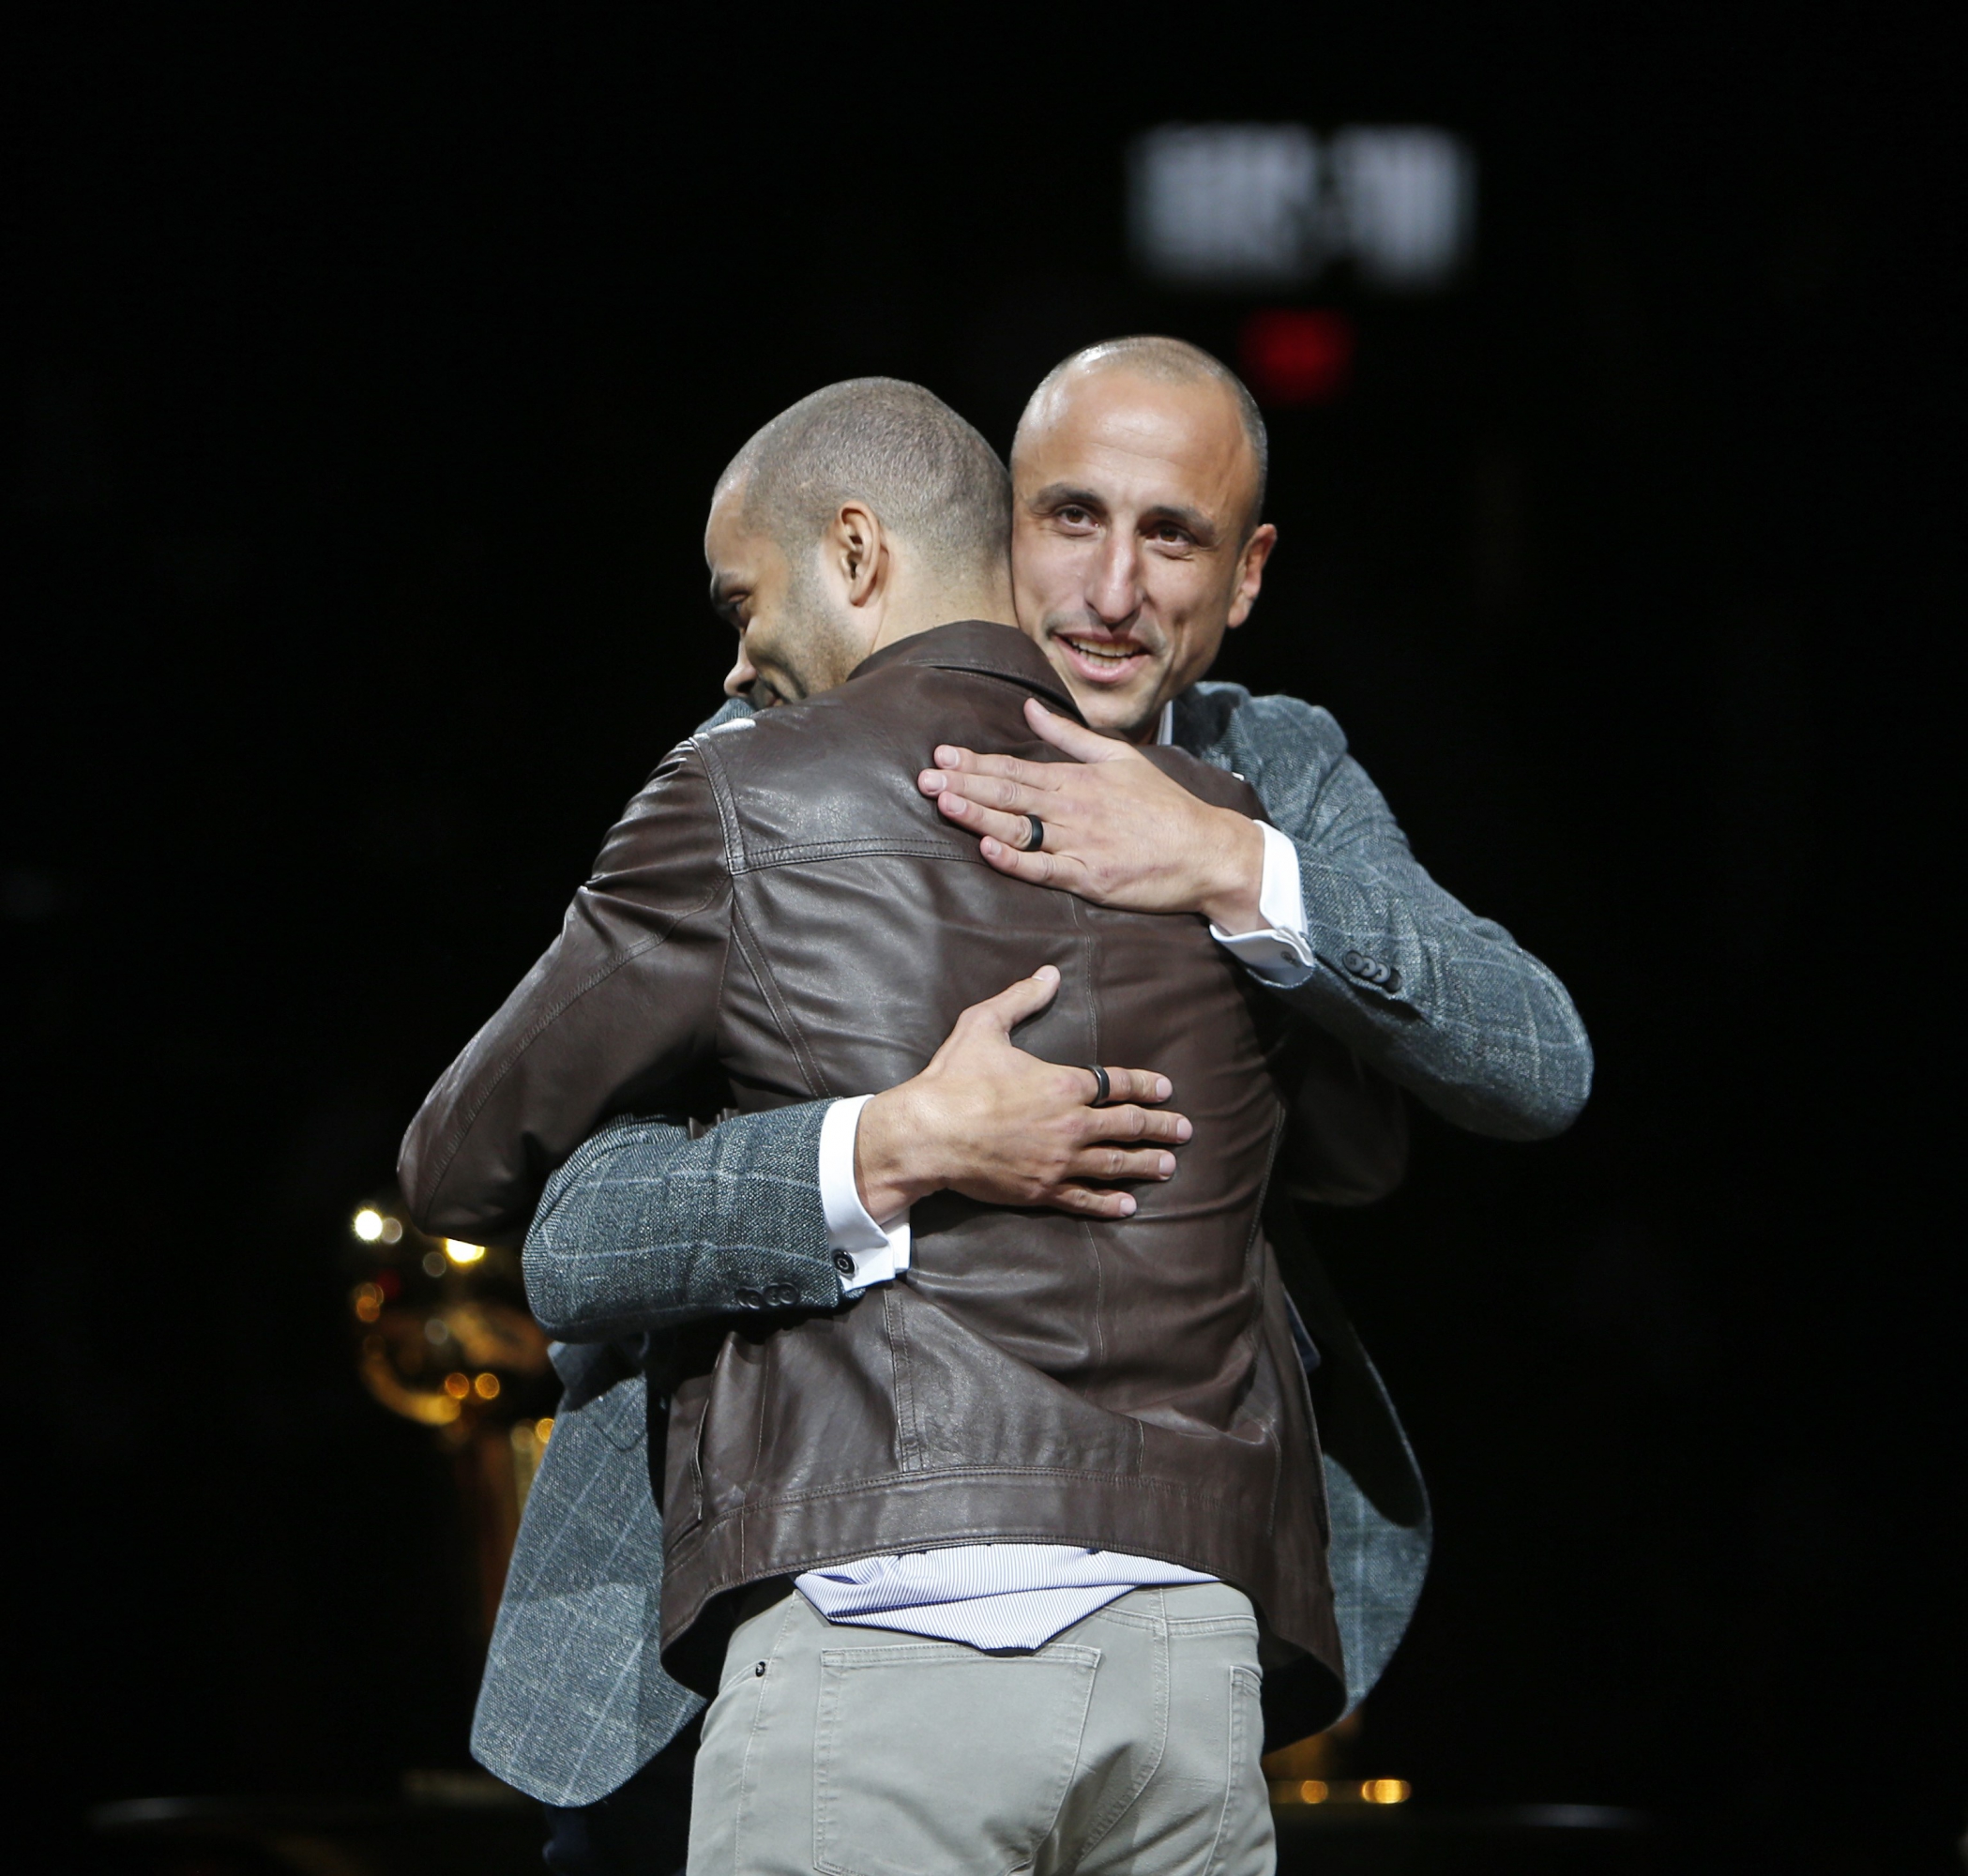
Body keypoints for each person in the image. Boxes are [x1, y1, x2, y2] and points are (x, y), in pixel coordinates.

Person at [405, 342, 1592, 1870]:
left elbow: (1529, 1062)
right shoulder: (767, 771)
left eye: (1169, 536)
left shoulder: (1262, 777)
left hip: (1181, 1581)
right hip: (755, 1581)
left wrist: (1233, 871)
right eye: (1067, 517)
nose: (1106, 588)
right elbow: (575, 1216)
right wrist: (889, 1145)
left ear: (1244, 578)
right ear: (980, 526)